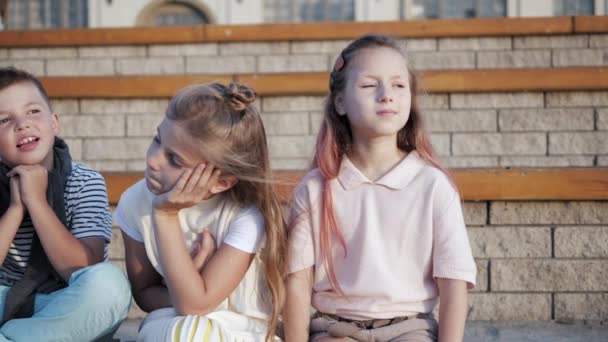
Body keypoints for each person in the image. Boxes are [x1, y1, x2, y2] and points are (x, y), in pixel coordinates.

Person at [284, 34, 477, 342]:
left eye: (399, 85)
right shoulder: (315, 188)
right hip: (335, 328)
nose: (387, 95)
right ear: (340, 102)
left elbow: (453, 284)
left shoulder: (433, 185)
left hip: (410, 328)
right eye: (369, 85)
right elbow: (296, 282)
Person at [114, 82, 286, 341]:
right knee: (183, 331)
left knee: (193, 333)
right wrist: (189, 281)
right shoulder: (135, 202)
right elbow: (146, 293)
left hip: (241, 330)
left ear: (221, 182)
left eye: (174, 159)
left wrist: (166, 215)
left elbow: (195, 305)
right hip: (170, 320)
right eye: (157, 139)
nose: (152, 159)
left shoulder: (245, 216)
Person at [0, 66, 131, 341]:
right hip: (4, 298)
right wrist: (15, 209)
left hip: (64, 303)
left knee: (111, 285)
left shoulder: (84, 182)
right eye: (4, 120)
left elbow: (83, 267)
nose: (21, 124)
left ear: (54, 123)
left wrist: (37, 203)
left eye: (33, 111)